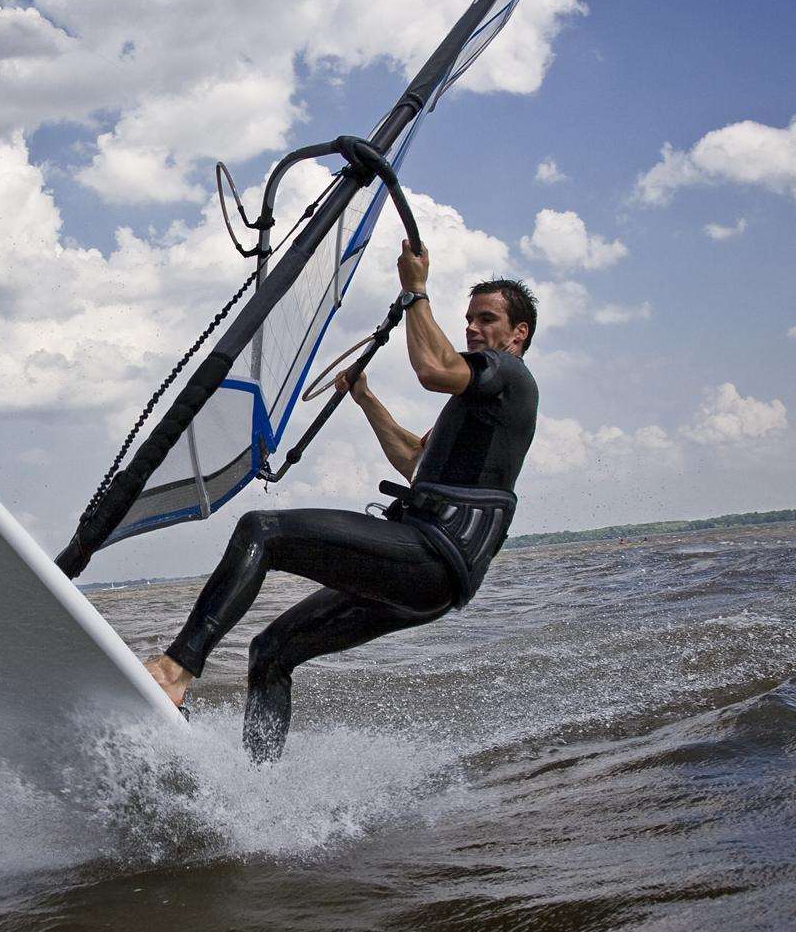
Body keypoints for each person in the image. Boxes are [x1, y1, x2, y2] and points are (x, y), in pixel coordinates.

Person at [143, 241, 539, 762]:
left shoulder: (505, 373)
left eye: (486, 319)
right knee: (272, 651)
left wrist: (415, 289)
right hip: (429, 576)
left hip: (432, 554)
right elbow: (411, 461)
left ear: (518, 333)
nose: (472, 327)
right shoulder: (481, 402)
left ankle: (175, 671)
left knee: (264, 530)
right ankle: (257, 795)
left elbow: (433, 369)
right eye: (468, 318)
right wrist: (365, 397)